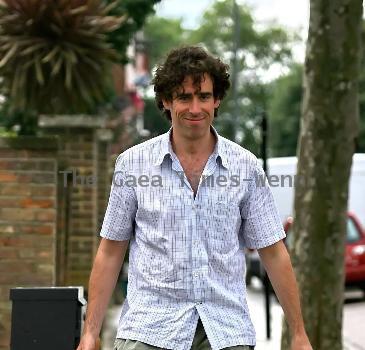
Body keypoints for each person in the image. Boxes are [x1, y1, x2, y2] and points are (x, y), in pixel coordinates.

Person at [77, 46, 312, 350]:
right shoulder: (132, 165)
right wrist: (90, 332)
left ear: (217, 100)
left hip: (226, 332)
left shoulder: (246, 167)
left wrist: (298, 334)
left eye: (203, 96)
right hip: (150, 329)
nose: (195, 108)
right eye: (184, 97)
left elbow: (273, 252)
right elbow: (111, 251)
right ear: (166, 101)